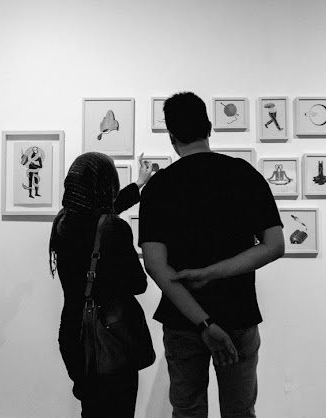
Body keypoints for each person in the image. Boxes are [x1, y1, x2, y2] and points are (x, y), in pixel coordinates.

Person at [139, 92, 285, 418]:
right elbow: (274, 245)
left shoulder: (159, 187)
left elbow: (154, 265)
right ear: (209, 127)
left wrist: (204, 322)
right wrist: (213, 272)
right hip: (239, 315)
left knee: (188, 412)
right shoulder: (244, 175)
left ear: (171, 136)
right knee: (240, 412)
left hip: (182, 320)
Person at [49, 152, 153, 417]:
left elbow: (102, 211)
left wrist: (138, 184)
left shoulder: (62, 222)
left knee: (91, 409)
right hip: (108, 336)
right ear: (107, 184)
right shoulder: (114, 229)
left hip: (73, 334)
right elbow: (138, 283)